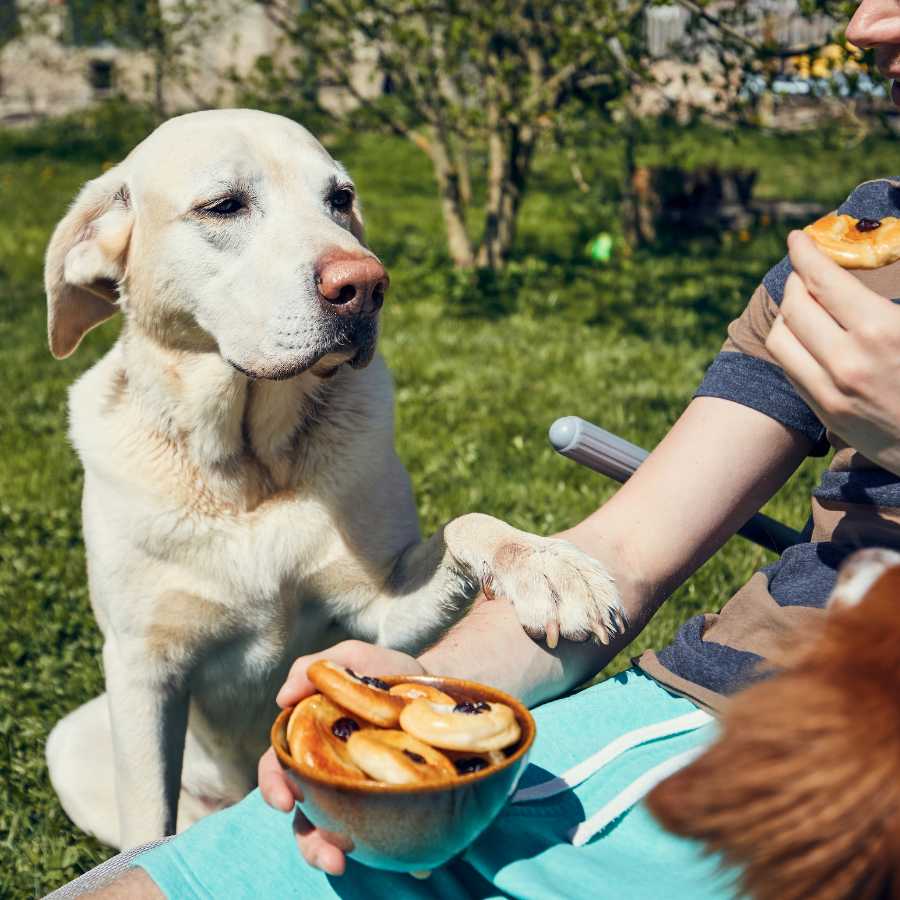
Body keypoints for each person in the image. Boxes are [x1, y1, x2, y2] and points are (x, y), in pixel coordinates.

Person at [50, 2, 900, 897]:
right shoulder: (854, 253)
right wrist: (421, 687)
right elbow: (631, 550)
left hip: (815, 743)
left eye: (339, 202)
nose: (868, 22)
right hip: (722, 702)